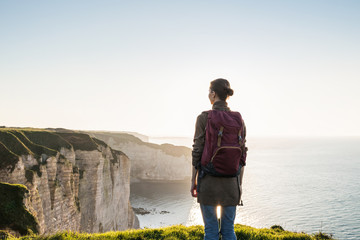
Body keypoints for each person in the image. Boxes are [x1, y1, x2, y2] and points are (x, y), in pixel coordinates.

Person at [191, 78, 247, 240]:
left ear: (213, 94)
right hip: (231, 183)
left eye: (209, 91)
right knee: (229, 230)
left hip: (208, 182)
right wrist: (239, 185)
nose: (209, 94)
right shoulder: (239, 120)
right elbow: (242, 156)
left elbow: (197, 152)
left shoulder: (203, 118)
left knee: (211, 230)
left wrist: (193, 181)